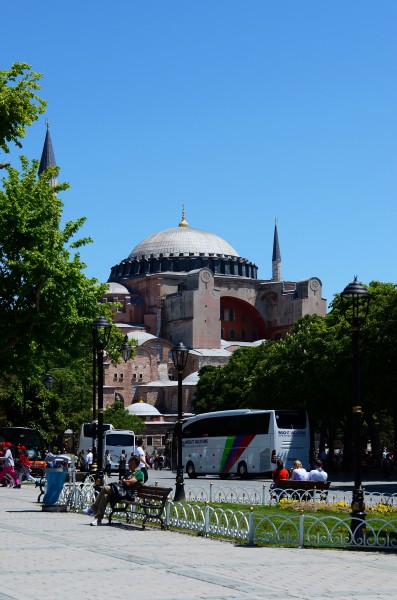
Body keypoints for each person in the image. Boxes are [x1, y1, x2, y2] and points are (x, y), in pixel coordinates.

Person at [82, 455, 144, 526]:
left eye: (129, 461)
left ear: (133, 462)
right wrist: (124, 480)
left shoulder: (139, 473)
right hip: (121, 493)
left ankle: (93, 508)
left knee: (105, 488)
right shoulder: (130, 472)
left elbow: (129, 482)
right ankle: (98, 520)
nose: (128, 463)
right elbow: (123, 481)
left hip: (128, 495)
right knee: (105, 496)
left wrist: (124, 481)